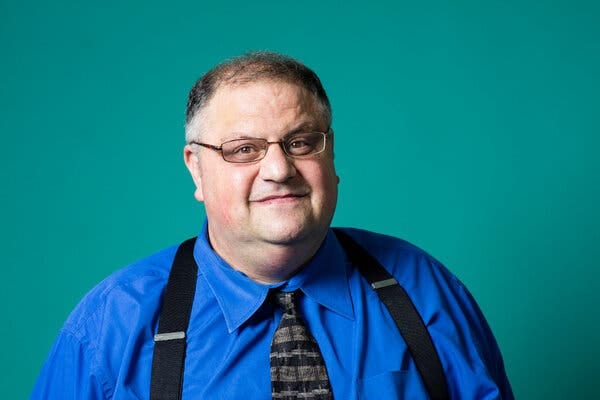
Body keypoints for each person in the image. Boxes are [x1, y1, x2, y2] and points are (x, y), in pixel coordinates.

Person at [32, 52, 514, 399]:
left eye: (301, 142)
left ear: (330, 154)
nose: (279, 169)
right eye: (244, 149)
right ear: (196, 169)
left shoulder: (425, 292)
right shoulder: (112, 323)